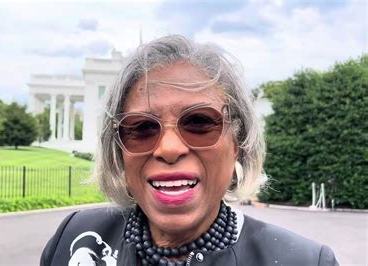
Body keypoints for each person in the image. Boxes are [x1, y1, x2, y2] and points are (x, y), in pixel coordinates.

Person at [40, 35, 339, 266]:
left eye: (199, 122)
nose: (169, 148)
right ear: (118, 150)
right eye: (142, 128)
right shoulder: (76, 239)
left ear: (238, 142)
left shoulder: (302, 260)